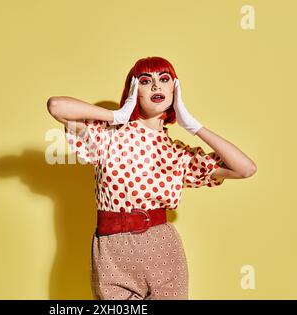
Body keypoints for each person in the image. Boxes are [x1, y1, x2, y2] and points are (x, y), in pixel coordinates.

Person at [47, 56, 257, 300]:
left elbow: (245, 168)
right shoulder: (108, 136)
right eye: (146, 81)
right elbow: (56, 106)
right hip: (112, 254)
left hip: (164, 251)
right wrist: (118, 115)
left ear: (174, 90)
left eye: (164, 79)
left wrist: (193, 125)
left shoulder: (178, 155)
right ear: (134, 91)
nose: (156, 86)